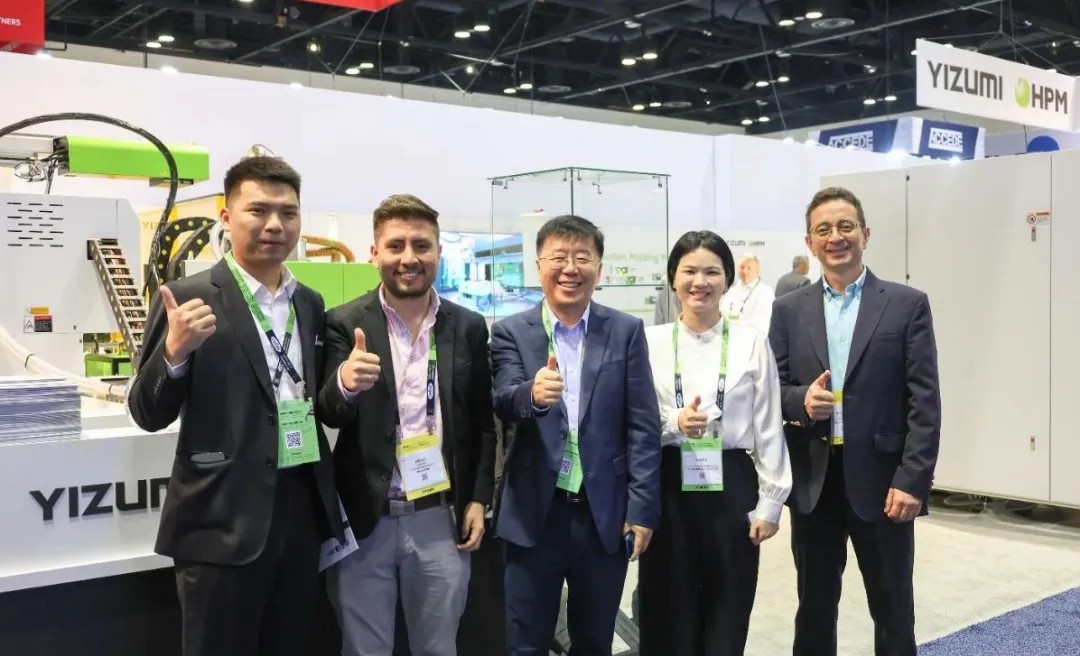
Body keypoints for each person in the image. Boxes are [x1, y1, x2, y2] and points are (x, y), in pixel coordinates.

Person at [127, 156, 344, 655]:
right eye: (258, 210)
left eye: (288, 213)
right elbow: (146, 412)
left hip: (300, 516)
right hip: (220, 521)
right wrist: (173, 353)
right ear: (226, 217)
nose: (275, 225)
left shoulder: (309, 303)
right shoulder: (187, 297)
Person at [316, 193, 496, 656]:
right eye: (395, 245)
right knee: (365, 649)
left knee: (438, 647)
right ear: (374, 252)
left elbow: (482, 422)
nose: (409, 258)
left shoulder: (468, 327)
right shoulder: (343, 323)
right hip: (365, 519)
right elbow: (329, 411)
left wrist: (479, 497)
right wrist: (345, 383)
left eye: (421, 245)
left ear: (439, 251)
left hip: (441, 517)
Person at [769, 187, 941, 656]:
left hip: (885, 484)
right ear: (810, 242)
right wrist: (801, 399)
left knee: (892, 606)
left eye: (846, 226)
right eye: (823, 229)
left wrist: (913, 480)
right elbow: (773, 389)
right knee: (814, 606)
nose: (836, 237)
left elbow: (924, 401)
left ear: (865, 234)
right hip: (814, 482)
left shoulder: (906, 304)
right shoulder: (788, 310)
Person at [490, 214, 661, 656]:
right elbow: (503, 397)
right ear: (539, 266)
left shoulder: (624, 331)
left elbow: (643, 426)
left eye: (582, 258)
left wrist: (641, 509)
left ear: (599, 269)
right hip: (533, 514)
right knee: (525, 642)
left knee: (594, 640)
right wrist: (532, 395)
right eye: (559, 257)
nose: (570, 268)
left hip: (602, 514)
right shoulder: (510, 331)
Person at [638, 230, 792, 656]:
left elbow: (769, 424)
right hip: (666, 484)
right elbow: (635, 421)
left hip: (732, 483)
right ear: (673, 278)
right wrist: (674, 422)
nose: (700, 282)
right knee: (667, 607)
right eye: (689, 271)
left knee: (728, 606)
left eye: (712, 272)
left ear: (728, 280)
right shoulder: (649, 342)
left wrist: (771, 503)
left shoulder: (750, 341)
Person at [720, 253, 775, 333]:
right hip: (726, 336)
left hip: (750, 338)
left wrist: (733, 326)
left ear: (757, 271)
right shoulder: (732, 290)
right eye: (742, 267)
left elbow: (760, 323)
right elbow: (722, 313)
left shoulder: (765, 292)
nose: (744, 271)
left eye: (749, 268)